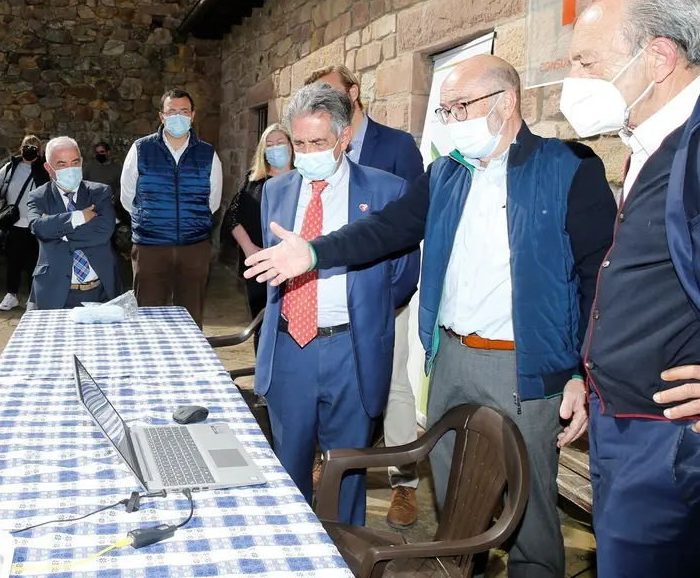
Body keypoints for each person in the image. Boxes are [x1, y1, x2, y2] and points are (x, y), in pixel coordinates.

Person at [245, 55, 616, 578]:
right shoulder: (446, 174)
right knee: (455, 500)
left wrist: (582, 372)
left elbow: (595, 278)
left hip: (527, 367)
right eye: (445, 110)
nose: (451, 120)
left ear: (505, 102)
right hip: (451, 360)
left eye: (460, 106)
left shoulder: (568, 169)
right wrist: (312, 253)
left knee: (529, 511)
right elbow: (386, 229)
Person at [559, 0, 700, 577]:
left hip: (668, 440)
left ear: (659, 58)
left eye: (587, 62)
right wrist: (594, 380)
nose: (575, 78)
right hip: (623, 421)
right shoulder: (648, 140)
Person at [256, 83, 418, 525]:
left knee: (346, 471)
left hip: (352, 349)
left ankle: (345, 554)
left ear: (344, 138)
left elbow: (402, 276)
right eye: (300, 142)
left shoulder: (387, 190)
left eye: (318, 143)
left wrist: (364, 311)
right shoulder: (277, 191)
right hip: (291, 349)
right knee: (288, 468)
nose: (307, 152)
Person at [304, 65, 425, 528]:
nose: (323, 103)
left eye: (331, 93)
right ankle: (331, 461)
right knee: (326, 387)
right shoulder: (311, 152)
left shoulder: (395, 147)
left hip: (380, 296)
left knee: (392, 385)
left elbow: (407, 229)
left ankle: (403, 483)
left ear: (354, 94)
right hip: (320, 296)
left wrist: (390, 297)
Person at [120, 89, 222, 328]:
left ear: (193, 116)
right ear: (161, 116)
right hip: (150, 248)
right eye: (172, 111)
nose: (178, 116)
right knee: (147, 314)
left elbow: (213, 202)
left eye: (184, 111)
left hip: (193, 248)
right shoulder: (140, 150)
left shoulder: (208, 154)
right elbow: (127, 198)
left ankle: (189, 362)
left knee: (190, 316)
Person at [27, 136, 120, 309]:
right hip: (53, 293)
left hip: (101, 292)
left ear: (82, 162)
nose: (70, 169)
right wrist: (77, 218)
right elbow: (38, 228)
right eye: (62, 164)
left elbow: (105, 230)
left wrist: (58, 233)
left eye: (75, 162)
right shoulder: (39, 196)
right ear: (48, 168)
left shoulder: (100, 192)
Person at [222, 123, 293, 331]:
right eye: (269, 144)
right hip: (258, 263)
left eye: (280, 142)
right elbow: (232, 217)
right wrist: (249, 249)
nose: (275, 148)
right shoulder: (253, 180)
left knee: (290, 324)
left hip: (294, 263)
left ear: (291, 146)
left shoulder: (304, 179)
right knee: (261, 324)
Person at [0, 135, 49, 311]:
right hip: (14, 223)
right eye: (26, 146)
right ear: (21, 148)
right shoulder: (12, 167)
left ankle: (33, 297)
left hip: (34, 224)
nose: (29, 149)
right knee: (13, 261)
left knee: (33, 262)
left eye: (33, 147)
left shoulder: (44, 170)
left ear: (39, 151)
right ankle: (11, 295)